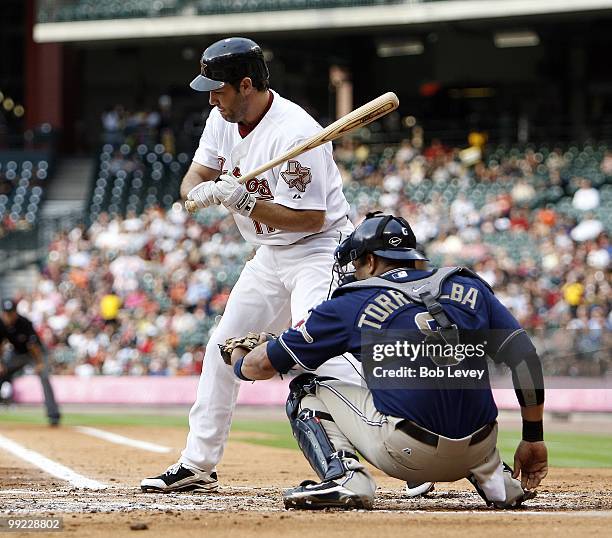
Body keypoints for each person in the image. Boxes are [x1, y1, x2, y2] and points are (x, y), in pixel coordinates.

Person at [141, 37, 363, 493]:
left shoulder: (295, 132)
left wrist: (243, 200)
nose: (210, 97)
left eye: (217, 88)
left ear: (246, 85)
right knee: (223, 346)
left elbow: (311, 218)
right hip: (270, 255)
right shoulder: (223, 117)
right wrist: (195, 193)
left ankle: (382, 456)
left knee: (325, 353)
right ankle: (198, 464)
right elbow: (196, 176)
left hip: (319, 250)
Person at [228, 212, 548, 509]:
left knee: (305, 389)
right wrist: (533, 438)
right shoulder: (468, 285)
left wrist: (240, 360)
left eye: (356, 264)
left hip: (407, 452)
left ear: (369, 260)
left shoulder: (350, 302)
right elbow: (524, 358)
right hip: (480, 445)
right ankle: (496, 478)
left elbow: (262, 366)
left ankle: (346, 476)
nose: (353, 272)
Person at [0, 299, 61, 426]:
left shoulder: (24, 323)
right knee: (2, 371)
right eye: (6, 313)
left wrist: (39, 364)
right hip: (17, 354)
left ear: (15, 313)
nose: (8, 316)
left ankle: (53, 414)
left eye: (11, 313)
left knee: (44, 377)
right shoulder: (1, 324)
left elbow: (33, 346)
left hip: (36, 354)